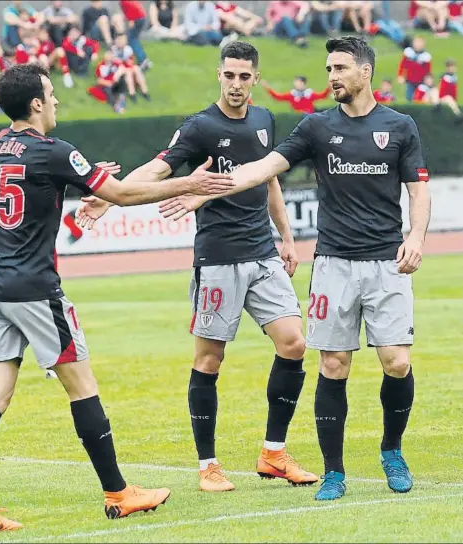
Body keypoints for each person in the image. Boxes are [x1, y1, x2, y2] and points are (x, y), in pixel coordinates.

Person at [159, 36, 431, 502]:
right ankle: (334, 472)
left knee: (397, 362)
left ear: (365, 72)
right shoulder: (316, 127)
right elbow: (260, 169)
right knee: (332, 363)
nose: (332, 76)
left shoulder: (400, 126)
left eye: (340, 68)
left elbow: (419, 192)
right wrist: (203, 188)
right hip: (332, 264)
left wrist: (416, 237)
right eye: (329, 68)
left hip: (386, 262)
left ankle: (392, 449)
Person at [0, 62, 233, 533]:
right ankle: (119, 493)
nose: (56, 101)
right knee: (82, 386)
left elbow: (23, 192)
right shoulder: (54, 150)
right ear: (35, 104)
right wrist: (191, 182)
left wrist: (82, 176)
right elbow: (123, 194)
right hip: (34, 289)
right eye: (51, 94)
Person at [76, 41, 319, 492]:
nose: (236, 84)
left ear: (255, 80)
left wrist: (285, 236)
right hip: (219, 259)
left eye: (245, 76)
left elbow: (269, 180)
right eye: (229, 75)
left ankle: (273, 452)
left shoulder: (265, 120)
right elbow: (160, 167)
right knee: (210, 359)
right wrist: (110, 197)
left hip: (263, 252)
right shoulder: (200, 127)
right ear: (219, 75)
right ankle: (208, 464)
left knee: (294, 344)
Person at [262, 76, 330, 115]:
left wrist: (329, 87)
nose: (296, 84)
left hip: (308, 117)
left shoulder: (309, 93)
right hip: (297, 118)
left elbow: (323, 96)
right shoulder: (292, 94)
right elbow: (278, 97)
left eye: (299, 82)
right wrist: (268, 89)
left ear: (304, 83)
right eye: (296, 82)